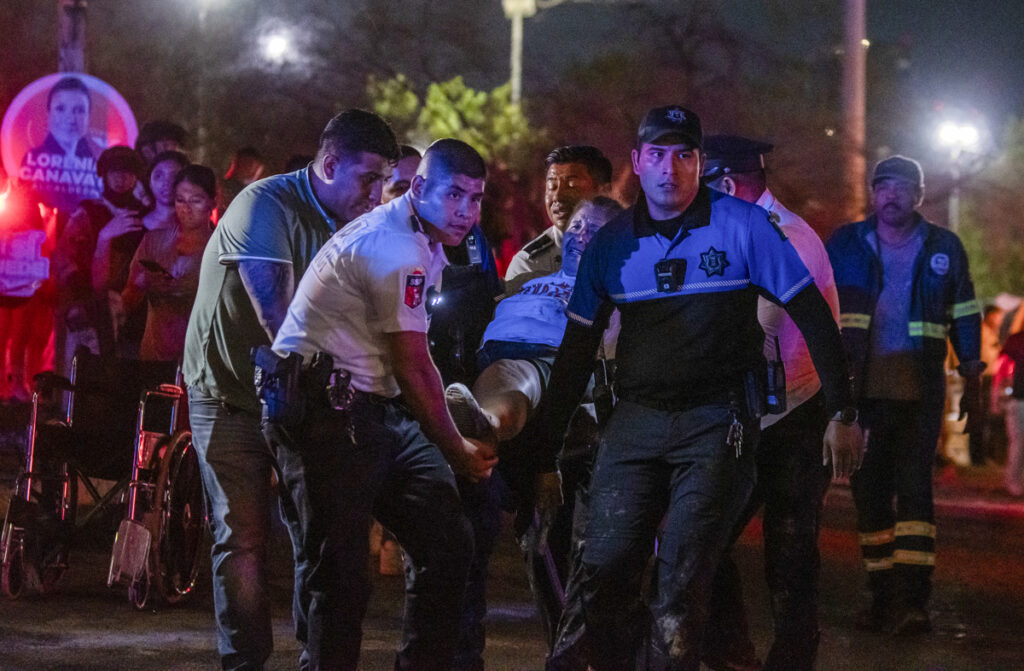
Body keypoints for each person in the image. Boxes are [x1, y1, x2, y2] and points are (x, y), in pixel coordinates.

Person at [533, 105, 863, 671]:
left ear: (700, 163)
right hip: (635, 423)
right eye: (657, 155)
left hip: (717, 423)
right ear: (637, 163)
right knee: (604, 570)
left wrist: (844, 411)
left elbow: (813, 317)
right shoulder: (611, 246)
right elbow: (574, 356)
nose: (671, 169)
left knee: (682, 577)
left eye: (684, 155)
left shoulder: (745, 228)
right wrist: (539, 458)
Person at [262, 138, 496, 671]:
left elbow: (410, 366)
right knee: (341, 575)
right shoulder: (396, 247)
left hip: (376, 411)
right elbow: (414, 366)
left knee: (447, 543)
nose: (466, 211)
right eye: (455, 195)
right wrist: (457, 448)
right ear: (419, 188)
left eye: (476, 199)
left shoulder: (422, 235)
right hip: (325, 413)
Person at [182, 109, 399, 671]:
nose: (377, 194)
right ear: (328, 165)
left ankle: (315, 654)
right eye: (367, 179)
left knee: (313, 533)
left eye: (385, 182)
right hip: (228, 390)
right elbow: (280, 321)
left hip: (304, 392)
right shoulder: (265, 205)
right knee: (244, 536)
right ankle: (245, 660)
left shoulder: (356, 223)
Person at [445, 197, 622, 661]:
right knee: (509, 380)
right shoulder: (531, 279)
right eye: (578, 226)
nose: (582, 234)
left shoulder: (620, 290)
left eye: (596, 229)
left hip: (565, 370)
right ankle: (483, 423)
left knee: (582, 561)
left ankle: (487, 423)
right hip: (508, 355)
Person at [826, 155, 983, 636]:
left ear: (918, 194)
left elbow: (966, 311)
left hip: (920, 391)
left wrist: (972, 374)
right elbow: (818, 306)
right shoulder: (846, 243)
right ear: (873, 195)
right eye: (883, 186)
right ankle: (881, 595)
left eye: (901, 187)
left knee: (915, 491)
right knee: (869, 494)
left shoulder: (944, 247)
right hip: (861, 394)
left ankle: (913, 601)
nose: (891, 195)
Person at [700, 135, 840, 671]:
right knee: (703, 539)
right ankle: (731, 652)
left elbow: (758, 326)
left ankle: (791, 659)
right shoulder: (729, 229)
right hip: (748, 411)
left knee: (790, 552)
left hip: (795, 415)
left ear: (729, 185)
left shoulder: (789, 238)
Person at [51, 145, 146, 372]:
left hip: (132, 305)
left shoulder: (143, 215)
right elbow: (64, 257)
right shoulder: (87, 212)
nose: (121, 178)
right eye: (115, 172)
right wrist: (83, 292)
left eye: (128, 173)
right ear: (104, 174)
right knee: (86, 369)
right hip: (88, 303)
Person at [93, 150, 190, 359]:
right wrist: (104, 239)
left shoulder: (200, 232)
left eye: (175, 176)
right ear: (148, 180)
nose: (167, 183)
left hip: (181, 340)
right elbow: (102, 284)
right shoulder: (130, 225)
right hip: (133, 336)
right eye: (159, 175)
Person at [122, 164, 215, 362]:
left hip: (202, 360)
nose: (186, 208)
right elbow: (128, 300)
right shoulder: (153, 242)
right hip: (154, 357)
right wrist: (143, 284)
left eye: (196, 201)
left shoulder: (222, 249)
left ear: (212, 203)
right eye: (180, 200)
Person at [504, 146, 612, 295]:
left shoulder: (634, 249)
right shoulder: (529, 264)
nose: (557, 197)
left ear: (603, 192)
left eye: (572, 186)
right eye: (552, 186)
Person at [20, 76, 104, 214]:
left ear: (89, 116)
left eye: (79, 110)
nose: (71, 119)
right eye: (60, 108)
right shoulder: (32, 160)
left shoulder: (100, 162)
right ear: (48, 114)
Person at [991, 327, 1024, 496]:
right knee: (1019, 443)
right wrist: (996, 396)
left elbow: (1002, 367)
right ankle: (1013, 484)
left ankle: (1014, 484)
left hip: (1019, 399)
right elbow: (1003, 367)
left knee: (1018, 443)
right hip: (1019, 399)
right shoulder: (1017, 340)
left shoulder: (1016, 340)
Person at [221, 146, 267, 214]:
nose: (246, 166)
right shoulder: (225, 188)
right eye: (244, 162)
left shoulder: (263, 189)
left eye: (250, 163)